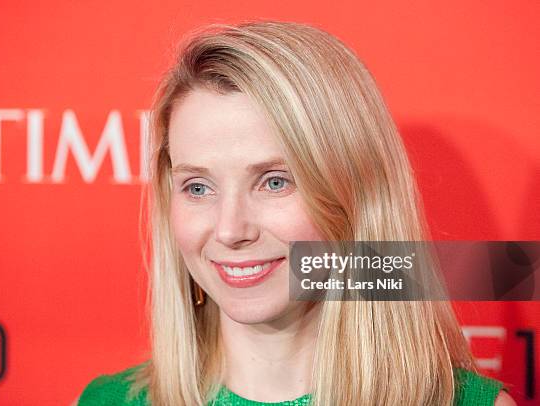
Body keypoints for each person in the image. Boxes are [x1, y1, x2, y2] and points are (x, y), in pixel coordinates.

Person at [77, 20, 516, 405]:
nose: (230, 230)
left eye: (274, 182)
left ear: (352, 195)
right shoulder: (108, 402)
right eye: (197, 187)